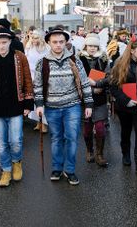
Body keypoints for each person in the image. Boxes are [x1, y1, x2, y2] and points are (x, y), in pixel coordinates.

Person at [33, 26, 93, 185]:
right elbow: (37, 86)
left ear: (66, 42)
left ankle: (70, 170)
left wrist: (88, 104)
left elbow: (85, 83)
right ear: (48, 43)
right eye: (55, 42)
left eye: (61, 41)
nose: (58, 45)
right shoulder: (43, 63)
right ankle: (57, 168)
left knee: (71, 138)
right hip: (52, 107)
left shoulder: (74, 60)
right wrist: (39, 104)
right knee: (56, 139)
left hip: (72, 106)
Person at [0, 28, 34, 187]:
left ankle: (16, 162)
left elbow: (27, 80)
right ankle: (6, 170)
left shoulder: (20, 57)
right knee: (1, 142)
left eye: (4, 42)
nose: (1, 46)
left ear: (10, 42)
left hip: (16, 106)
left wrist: (28, 103)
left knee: (16, 140)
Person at [109, 39, 137, 171]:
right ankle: (126, 154)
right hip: (125, 106)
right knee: (126, 131)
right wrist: (126, 100)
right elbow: (113, 87)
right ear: (132, 51)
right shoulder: (120, 64)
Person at [79, 33, 110, 167]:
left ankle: (99, 154)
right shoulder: (79, 59)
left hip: (100, 98)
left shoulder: (104, 59)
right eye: (90, 45)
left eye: (95, 46)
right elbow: (77, 79)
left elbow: (110, 78)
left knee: (100, 128)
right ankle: (89, 150)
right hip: (85, 100)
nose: (92, 48)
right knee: (87, 129)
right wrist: (91, 89)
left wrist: (98, 85)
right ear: (86, 45)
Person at [25, 29, 50, 132]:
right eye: (33, 38)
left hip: (43, 75)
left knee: (42, 99)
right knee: (35, 100)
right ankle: (37, 122)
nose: (34, 40)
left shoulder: (47, 48)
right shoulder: (28, 47)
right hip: (31, 76)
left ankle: (44, 123)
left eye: (36, 38)